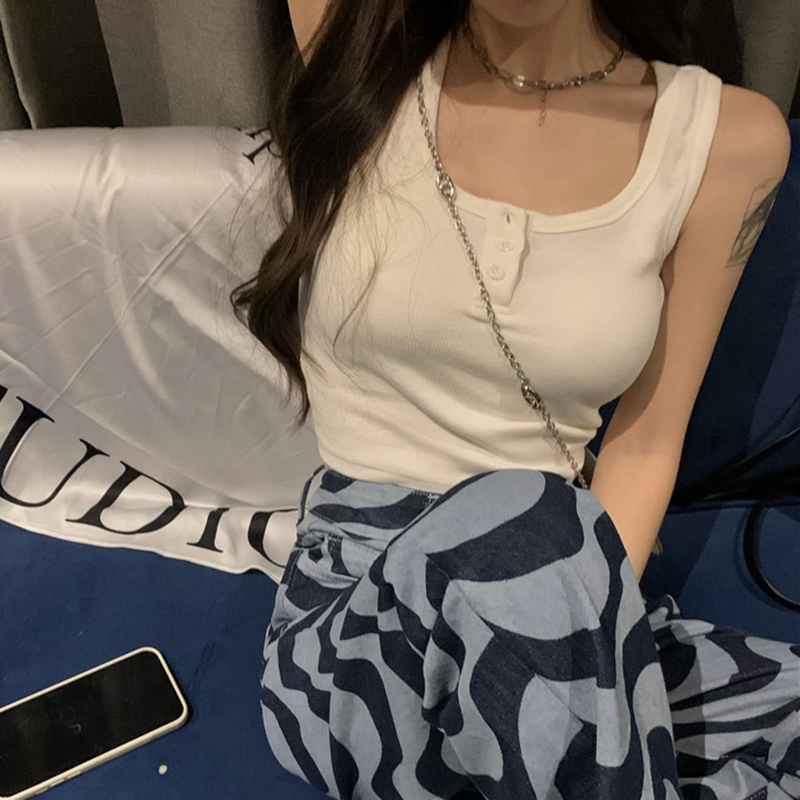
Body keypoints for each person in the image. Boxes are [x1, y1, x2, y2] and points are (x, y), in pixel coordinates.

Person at [232, 1, 798, 798]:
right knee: (532, 521)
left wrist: (575, 636)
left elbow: (646, 441)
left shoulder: (725, 139)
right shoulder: (354, 43)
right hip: (358, 629)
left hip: (563, 586)